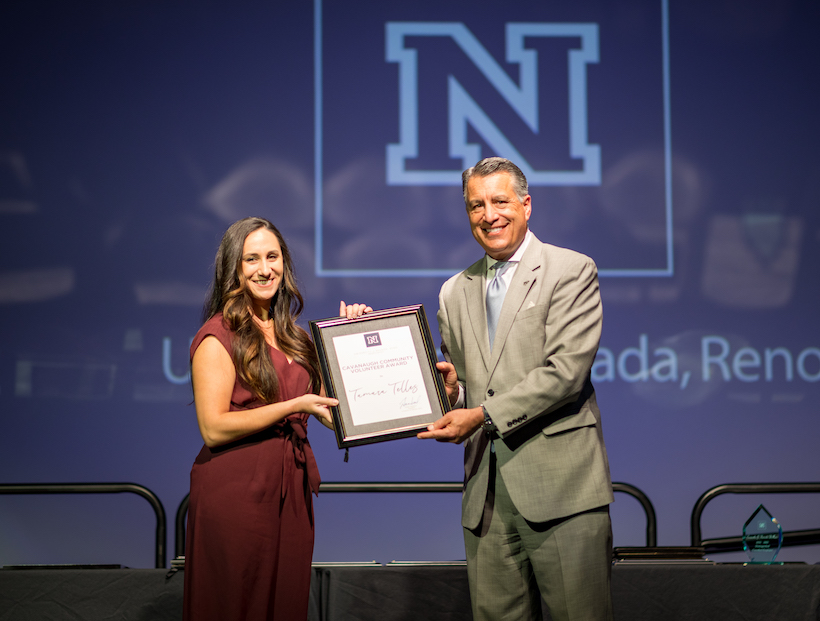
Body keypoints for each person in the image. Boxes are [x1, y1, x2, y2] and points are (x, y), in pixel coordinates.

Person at [418, 157, 614, 620]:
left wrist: (481, 414)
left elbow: (565, 372)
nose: (489, 215)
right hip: (486, 495)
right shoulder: (454, 290)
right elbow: (470, 388)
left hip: (563, 491)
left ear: (526, 205)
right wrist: (453, 394)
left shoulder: (570, 270)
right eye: (476, 205)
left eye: (500, 201)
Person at [183, 216, 370, 621]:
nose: (264, 268)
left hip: (291, 490)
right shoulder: (218, 335)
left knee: (285, 604)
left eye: (273, 256)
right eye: (252, 259)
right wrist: (292, 406)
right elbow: (213, 427)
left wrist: (353, 337)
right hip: (236, 493)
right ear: (233, 268)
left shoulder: (296, 337)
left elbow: (336, 413)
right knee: (236, 604)